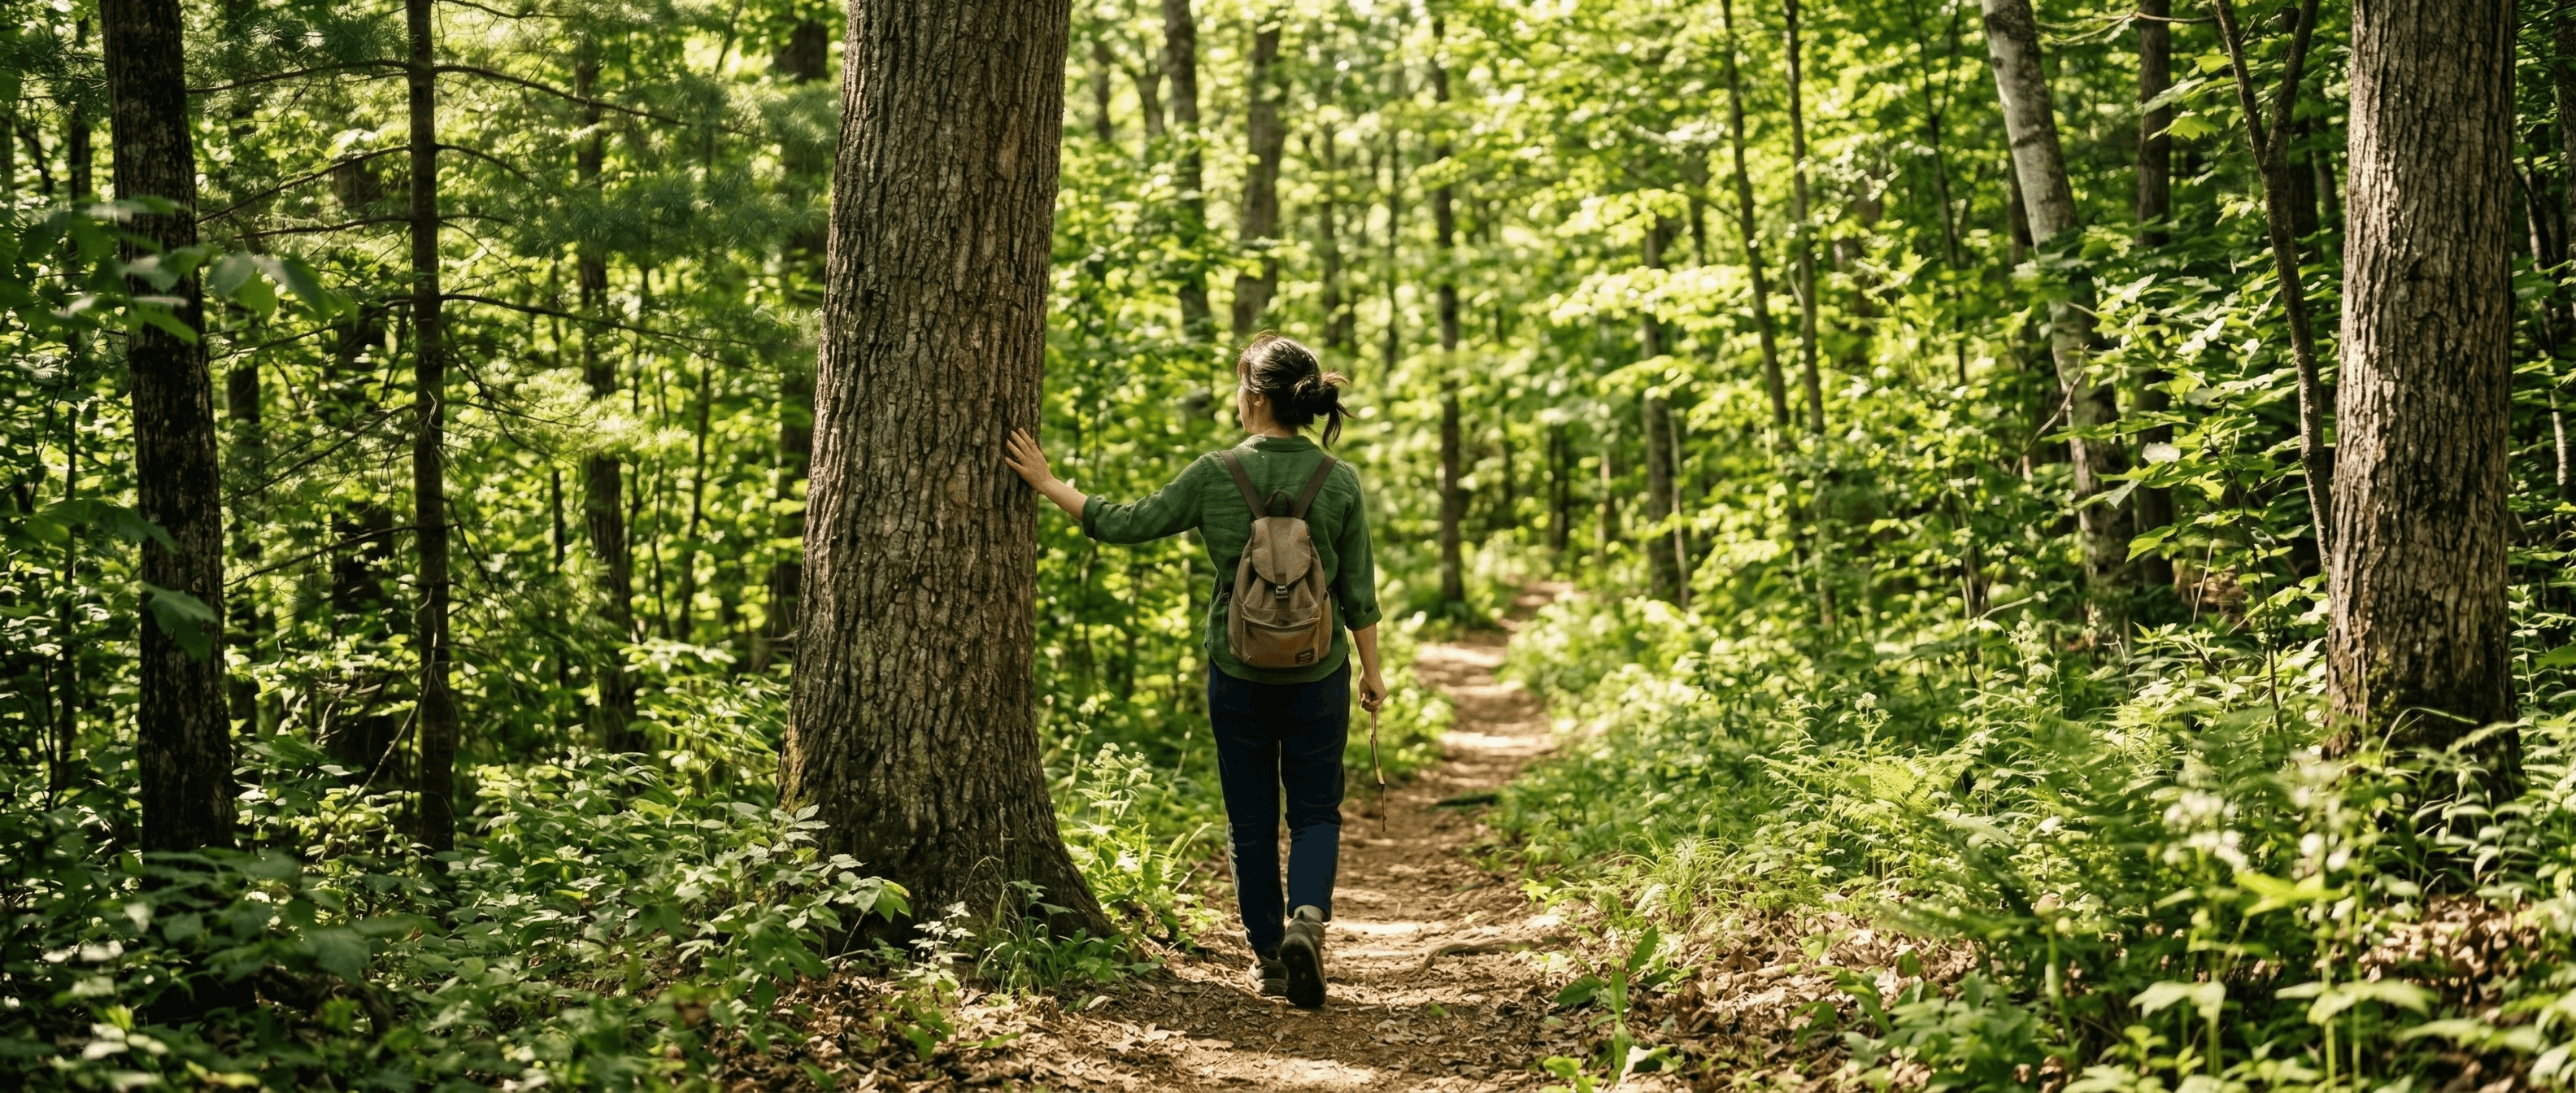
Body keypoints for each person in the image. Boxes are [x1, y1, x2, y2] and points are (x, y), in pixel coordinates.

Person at [1003, 333, 1384, 1009]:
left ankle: (1271, 958)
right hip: (1319, 671)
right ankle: (1308, 920)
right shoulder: (1340, 479)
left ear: (1256, 399)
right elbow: (1359, 591)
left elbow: (1125, 523)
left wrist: (1048, 482)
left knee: (1249, 819)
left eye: (1240, 387)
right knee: (1316, 811)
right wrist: (1372, 673)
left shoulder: (1216, 473)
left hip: (1238, 670)